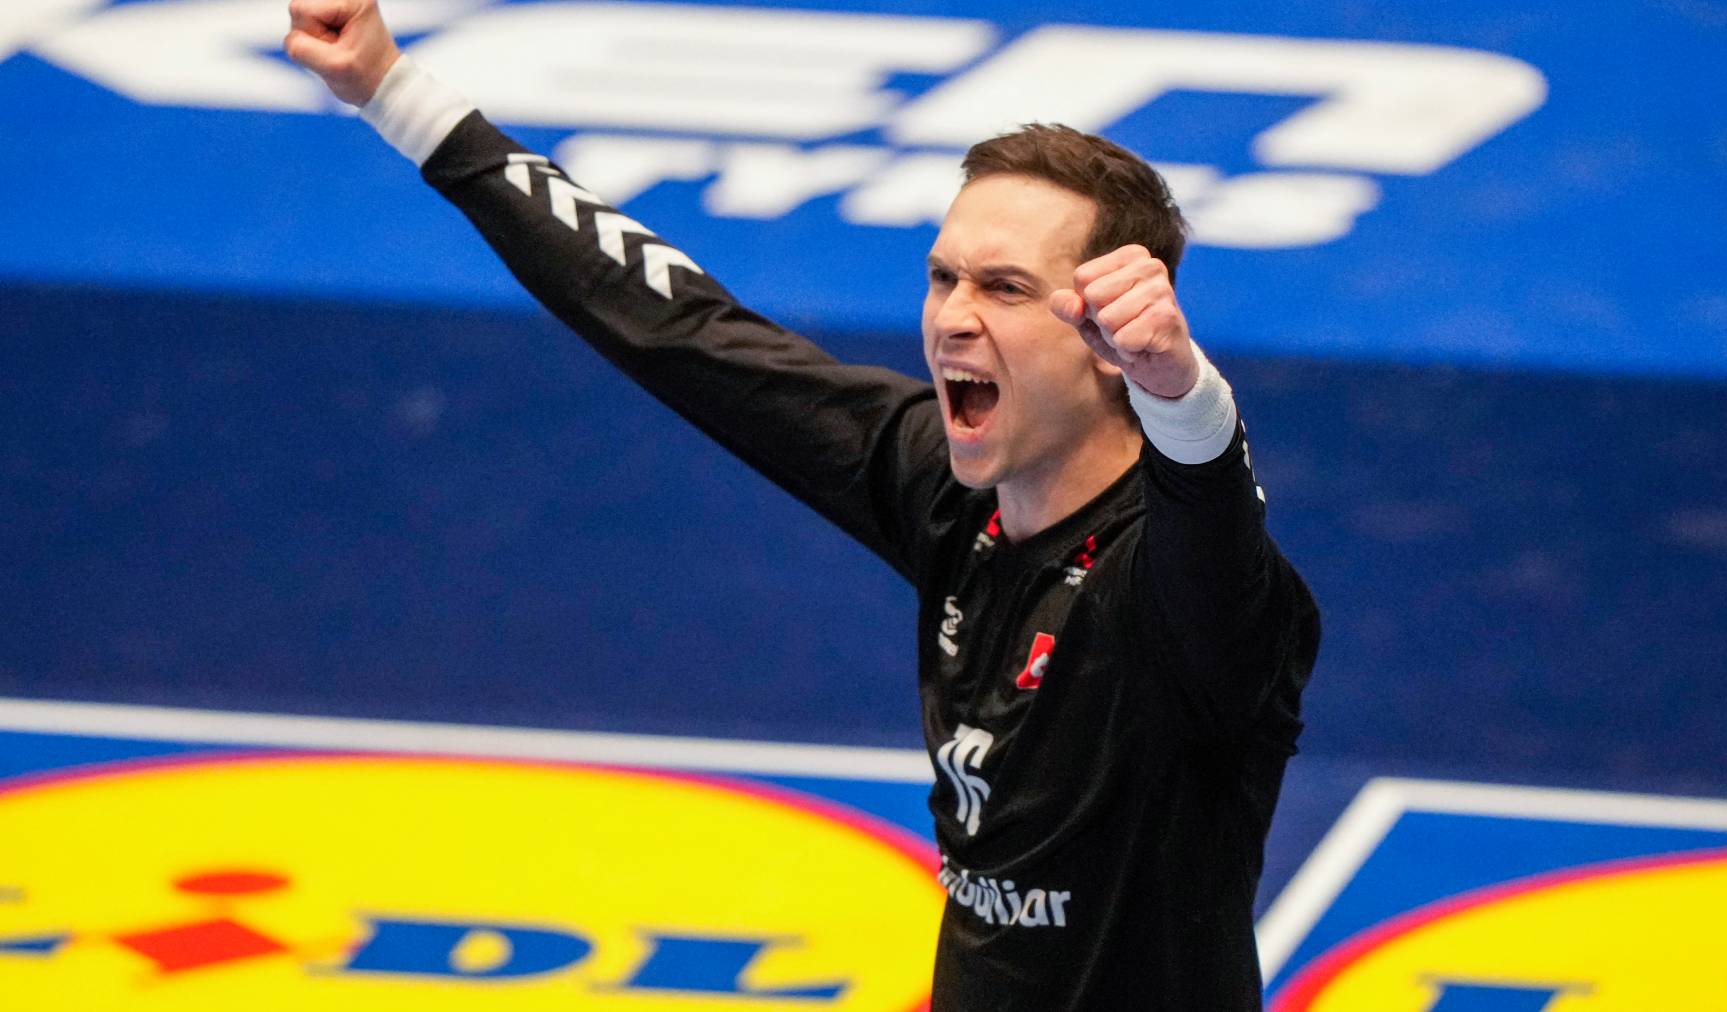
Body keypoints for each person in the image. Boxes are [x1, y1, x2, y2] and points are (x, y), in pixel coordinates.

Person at [286, 1, 1320, 1007]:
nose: (953, 318)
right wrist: (392, 90)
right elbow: (682, 329)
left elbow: (1214, 522)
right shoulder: (948, 493)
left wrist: (1180, 390)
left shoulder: (1192, 602)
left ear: (1107, 345)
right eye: (943, 278)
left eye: (1004, 289)